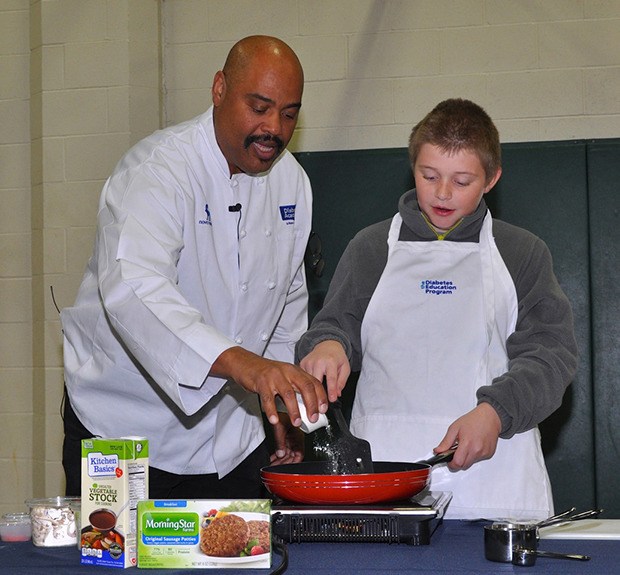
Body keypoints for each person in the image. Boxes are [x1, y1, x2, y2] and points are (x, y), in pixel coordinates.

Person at [61, 35, 328, 500]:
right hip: (123, 430)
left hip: (233, 438)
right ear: (219, 88)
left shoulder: (293, 185)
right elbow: (136, 288)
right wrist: (247, 365)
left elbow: (287, 303)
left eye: (289, 113)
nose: (274, 129)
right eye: (259, 107)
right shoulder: (159, 170)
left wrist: (284, 410)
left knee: (238, 560)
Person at [297, 99, 578, 520]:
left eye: (462, 181)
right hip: (384, 485)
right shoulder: (371, 248)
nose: (443, 193)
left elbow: (552, 356)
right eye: (429, 176)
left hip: (494, 483)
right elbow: (335, 325)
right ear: (413, 169)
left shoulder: (522, 253)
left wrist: (496, 412)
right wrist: (329, 346)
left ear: (491, 179)